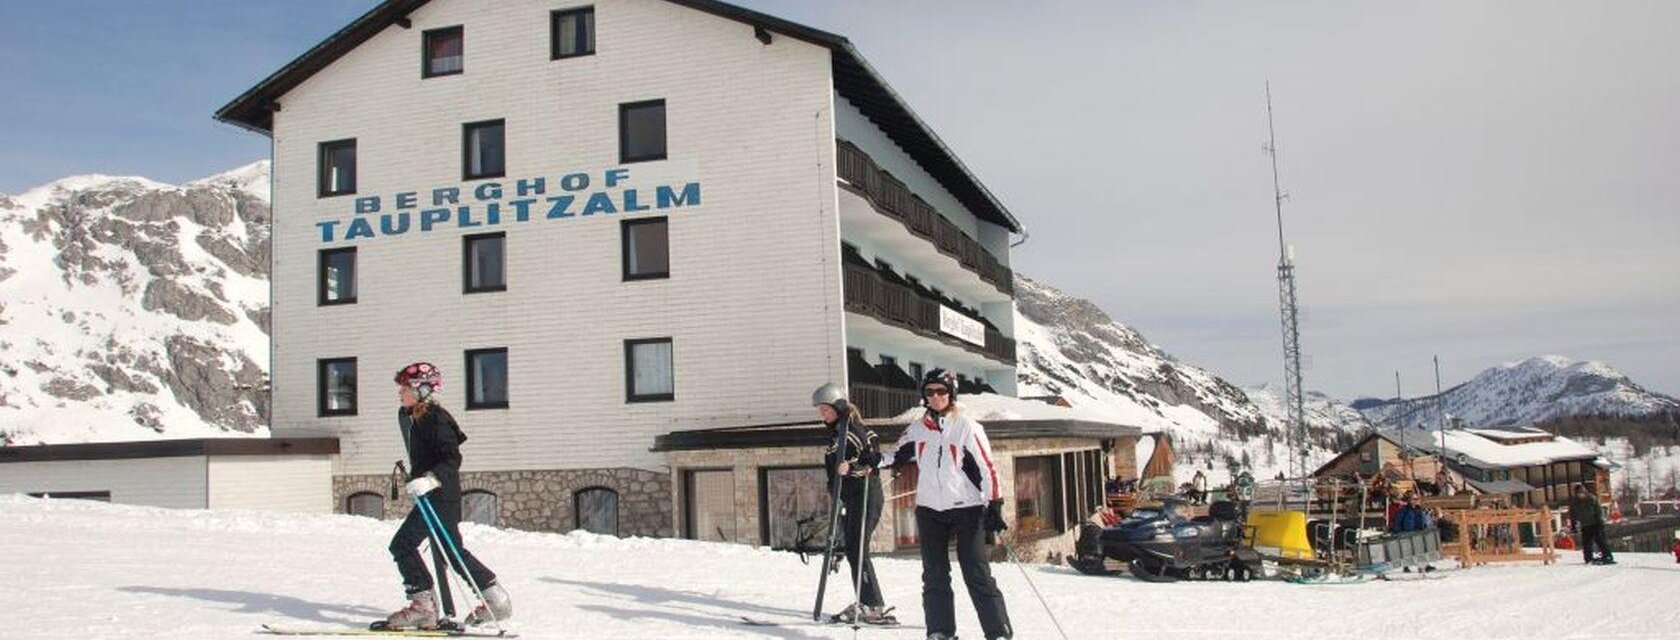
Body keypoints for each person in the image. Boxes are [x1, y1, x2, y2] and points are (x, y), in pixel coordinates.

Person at [884, 369, 1013, 640]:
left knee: (976, 573)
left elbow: (988, 468)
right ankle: (940, 631)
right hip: (930, 509)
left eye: (941, 391)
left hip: (966, 508)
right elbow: (894, 454)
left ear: (951, 393)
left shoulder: (967, 426)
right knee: (934, 575)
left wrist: (995, 503)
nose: (935, 396)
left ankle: (998, 632)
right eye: (929, 392)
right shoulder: (918, 429)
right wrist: (868, 460)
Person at [384, 362, 512, 629]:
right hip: (435, 495)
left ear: (422, 390)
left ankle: (424, 607)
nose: (400, 393)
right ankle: (494, 599)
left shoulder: (435, 418)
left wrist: (431, 479)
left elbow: (451, 457)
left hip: (439, 495)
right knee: (452, 551)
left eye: (405, 388)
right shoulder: (417, 417)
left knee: (403, 545)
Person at [811, 382, 895, 626]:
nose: (822, 415)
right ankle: (868, 601)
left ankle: (872, 605)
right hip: (853, 497)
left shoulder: (852, 431)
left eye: (825, 410)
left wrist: (851, 468)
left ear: (838, 407)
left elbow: (872, 459)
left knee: (857, 549)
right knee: (852, 549)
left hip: (866, 494)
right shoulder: (839, 432)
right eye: (820, 411)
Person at [1568, 484, 1615, 565]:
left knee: (1600, 540)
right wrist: (1573, 525)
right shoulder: (1575, 503)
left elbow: (1598, 510)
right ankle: (1588, 558)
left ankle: (1607, 556)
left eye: (1581, 493)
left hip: (1595, 523)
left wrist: (1600, 521)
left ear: (1585, 492)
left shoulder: (1591, 498)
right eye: (1578, 494)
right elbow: (1572, 515)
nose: (1580, 495)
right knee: (1586, 542)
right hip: (1585, 525)